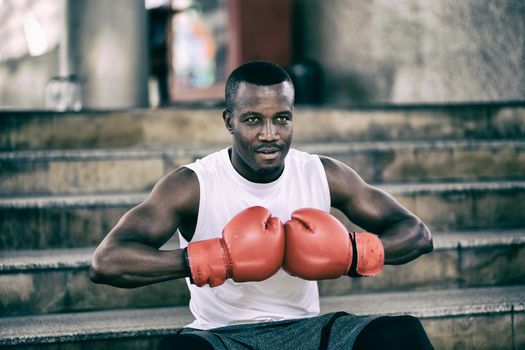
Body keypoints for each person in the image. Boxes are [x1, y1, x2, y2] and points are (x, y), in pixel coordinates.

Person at [90, 61, 435, 349]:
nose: (270, 133)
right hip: (220, 337)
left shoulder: (321, 174)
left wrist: (355, 253)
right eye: (253, 119)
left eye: (281, 118)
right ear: (229, 121)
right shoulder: (193, 184)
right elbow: (107, 262)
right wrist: (212, 259)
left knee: (401, 334)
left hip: (307, 332)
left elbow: (417, 233)